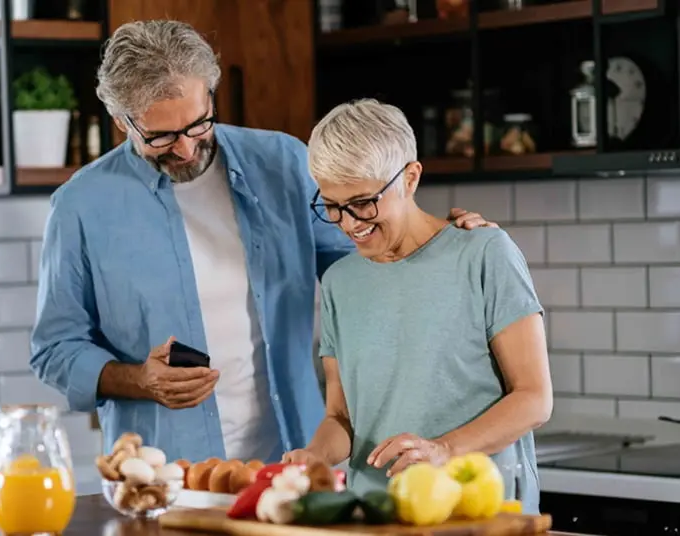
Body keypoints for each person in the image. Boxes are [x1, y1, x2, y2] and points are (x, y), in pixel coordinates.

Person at [29, 19, 496, 464]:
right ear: (121, 120)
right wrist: (138, 380)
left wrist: (436, 240)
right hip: (166, 474)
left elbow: (365, 264)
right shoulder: (81, 206)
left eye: (198, 124)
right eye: (162, 136)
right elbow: (55, 348)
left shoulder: (284, 163)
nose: (187, 149)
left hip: (298, 460)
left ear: (211, 95)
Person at [282, 99, 552, 514]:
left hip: (479, 513)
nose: (350, 223)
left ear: (410, 178)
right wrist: (315, 455)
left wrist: (445, 450)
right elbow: (343, 417)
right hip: (377, 512)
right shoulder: (340, 281)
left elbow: (534, 398)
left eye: (363, 202)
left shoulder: (484, 254)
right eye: (333, 206)